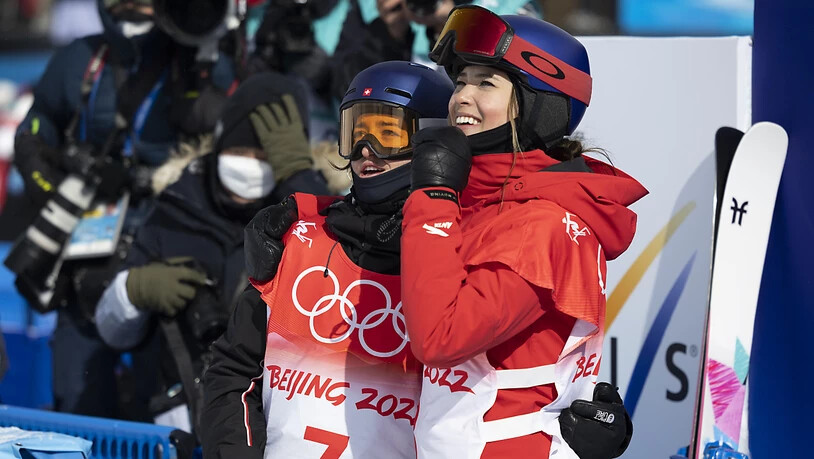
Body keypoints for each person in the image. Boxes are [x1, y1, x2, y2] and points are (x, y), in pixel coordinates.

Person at [201, 60, 632, 458]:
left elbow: (527, 368)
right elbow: (234, 369)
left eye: (388, 133)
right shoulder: (303, 239)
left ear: (435, 140)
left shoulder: (463, 251)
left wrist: (587, 422)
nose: (366, 150)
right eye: (355, 132)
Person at [399, 6, 647, 458]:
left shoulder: (541, 223)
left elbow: (440, 337)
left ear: (540, 102)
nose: (461, 97)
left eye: (486, 83)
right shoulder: (478, 201)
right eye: (460, 81)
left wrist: (431, 200)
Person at [12, 0, 235, 418]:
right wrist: (52, 182)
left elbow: (230, 144)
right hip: (86, 263)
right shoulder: (80, 59)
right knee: (79, 403)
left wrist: (204, 57)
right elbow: (36, 132)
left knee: (170, 408)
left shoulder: (203, 61)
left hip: (171, 260)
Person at [93, 71, 328, 438]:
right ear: (218, 145)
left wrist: (301, 182)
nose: (249, 165)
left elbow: (338, 279)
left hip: (270, 428)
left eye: (263, 157)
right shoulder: (176, 207)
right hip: (173, 425)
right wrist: (133, 290)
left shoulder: (310, 217)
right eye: (239, 152)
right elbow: (112, 333)